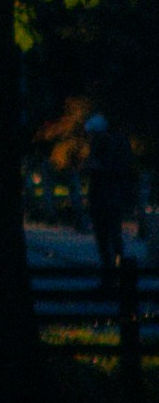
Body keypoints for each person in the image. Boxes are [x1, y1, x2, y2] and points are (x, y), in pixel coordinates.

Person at [85, 112, 138, 293]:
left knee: (109, 238)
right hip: (109, 198)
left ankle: (112, 277)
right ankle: (115, 276)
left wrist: (98, 168)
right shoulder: (115, 144)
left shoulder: (107, 146)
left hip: (107, 198)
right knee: (111, 238)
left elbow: (115, 170)